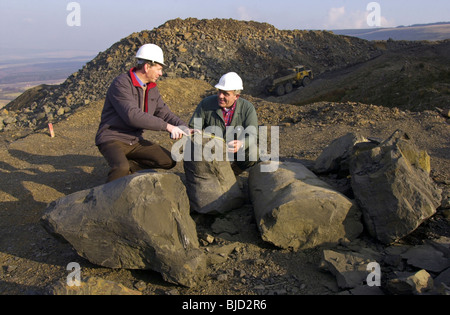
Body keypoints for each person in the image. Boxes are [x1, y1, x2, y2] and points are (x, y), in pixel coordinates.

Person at [95, 43, 190, 183]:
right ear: (147, 67)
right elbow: (132, 116)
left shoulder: (151, 88)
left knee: (168, 161)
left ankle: (129, 168)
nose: (161, 73)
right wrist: (168, 127)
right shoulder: (121, 84)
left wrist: (184, 127)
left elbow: (164, 113)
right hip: (112, 139)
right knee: (121, 168)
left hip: (135, 141)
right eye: (158, 69)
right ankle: (106, 199)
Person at [189, 72, 258, 175]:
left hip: (235, 151)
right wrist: (199, 136)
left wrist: (241, 143)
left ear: (236, 96)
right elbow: (193, 127)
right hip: (212, 150)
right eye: (220, 92)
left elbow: (252, 135)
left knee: (253, 152)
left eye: (226, 94)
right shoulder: (206, 104)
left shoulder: (247, 108)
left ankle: (234, 172)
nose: (220, 96)